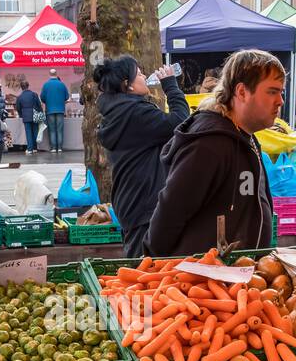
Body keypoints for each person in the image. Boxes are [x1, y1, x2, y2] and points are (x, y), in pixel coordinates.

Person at [147, 49, 283, 255]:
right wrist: (153, 268)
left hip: (239, 279)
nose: (280, 101)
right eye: (272, 91)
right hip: (202, 280)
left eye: (281, 92)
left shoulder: (246, 136)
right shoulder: (210, 144)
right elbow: (168, 216)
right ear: (242, 92)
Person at [95, 56, 190, 257]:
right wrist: (171, 87)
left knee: (143, 263)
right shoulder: (135, 113)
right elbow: (180, 122)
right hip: (143, 201)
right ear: (127, 85)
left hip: (132, 199)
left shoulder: (119, 113)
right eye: (139, 73)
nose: (145, 76)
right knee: (143, 270)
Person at [40, 68, 69, 154]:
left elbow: (42, 98)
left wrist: (47, 102)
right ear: (57, 74)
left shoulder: (46, 85)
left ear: (49, 74)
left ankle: (53, 148)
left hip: (49, 110)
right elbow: (67, 97)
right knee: (59, 129)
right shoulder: (62, 85)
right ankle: (59, 148)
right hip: (60, 110)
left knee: (52, 129)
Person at [14, 80, 43, 155]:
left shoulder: (19, 97)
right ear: (28, 86)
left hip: (26, 116)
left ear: (21, 87)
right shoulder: (34, 94)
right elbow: (39, 105)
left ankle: (30, 149)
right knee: (35, 131)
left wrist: (21, 115)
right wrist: (41, 113)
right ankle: (34, 148)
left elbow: (18, 108)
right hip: (35, 115)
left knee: (28, 133)